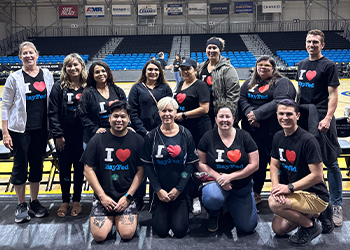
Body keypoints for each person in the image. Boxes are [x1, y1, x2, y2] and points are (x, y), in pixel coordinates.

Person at [268, 99, 333, 247]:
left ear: (297, 116)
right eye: (281, 113)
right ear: (276, 115)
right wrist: (276, 187)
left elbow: (317, 175)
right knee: (278, 229)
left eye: (289, 114)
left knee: (273, 203)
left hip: (315, 195)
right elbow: (274, 164)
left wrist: (288, 188)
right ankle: (317, 215)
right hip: (296, 193)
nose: (285, 117)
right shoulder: (278, 136)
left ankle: (310, 226)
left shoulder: (308, 140)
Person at [1, 41, 54, 223]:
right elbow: (5, 106)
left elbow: (51, 102)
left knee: (37, 165)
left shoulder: (47, 75)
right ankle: (21, 204)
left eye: (31, 52)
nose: (29, 56)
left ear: (37, 55)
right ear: (20, 57)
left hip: (41, 129)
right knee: (20, 166)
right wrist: (5, 132)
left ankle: (34, 201)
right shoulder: (13, 78)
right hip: (20, 130)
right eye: (25, 53)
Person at [296, 29, 342, 226]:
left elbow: (333, 95)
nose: (311, 45)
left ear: (322, 45)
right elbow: (300, 91)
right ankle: (312, 202)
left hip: (322, 115)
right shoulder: (302, 64)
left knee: (330, 161)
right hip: (304, 115)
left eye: (315, 42)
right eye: (309, 41)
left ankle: (337, 204)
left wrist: (328, 118)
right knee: (308, 160)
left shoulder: (329, 65)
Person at [81, 101, 145, 242]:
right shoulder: (97, 139)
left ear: (129, 119)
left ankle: (119, 221)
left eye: (123, 116)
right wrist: (102, 196)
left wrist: (128, 196)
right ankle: (112, 222)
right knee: (99, 236)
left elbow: (141, 171)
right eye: (115, 116)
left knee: (127, 234)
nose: (119, 120)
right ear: (109, 118)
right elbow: (87, 170)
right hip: (103, 195)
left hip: (126, 196)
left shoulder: (138, 140)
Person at [239, 55, 296, 204]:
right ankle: (256, 192)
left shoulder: (281, 82)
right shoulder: (249, 82)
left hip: (273, 132)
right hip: (252, 130)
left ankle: (284, 192)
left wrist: (258, 115)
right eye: (260, 64)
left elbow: (280, 100)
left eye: (267, 65)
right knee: (257, 163)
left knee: (278, 163)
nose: (263, 67)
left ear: (273, 68)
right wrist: (250, 114)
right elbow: (242, 98)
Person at [141, 97, 198, 238]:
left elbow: (191, 164)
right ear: (159, 113)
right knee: (161, 231)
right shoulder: (151, 136)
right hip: (160, 191)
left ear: (175, 112)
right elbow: (147, 165)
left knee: (179, 230)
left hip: (180, 190)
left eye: (170, 110)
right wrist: (158, 190)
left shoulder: (186, 134)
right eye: (163, 111)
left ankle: (182, 208)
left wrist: (178, 189)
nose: (167, 114)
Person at [197, 104, 259, 233]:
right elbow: (200, 163)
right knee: (213, 197)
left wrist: (229, 177)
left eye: (227, 117)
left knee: (248, 228)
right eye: (221, 116)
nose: (224, 120)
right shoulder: (208, 137)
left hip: (242, 187)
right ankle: (214, 213)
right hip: (216, 183)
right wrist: (219, 177)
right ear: (215, 119)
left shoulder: (244, 136)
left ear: (233, 119)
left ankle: (230, 206)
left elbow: (255, 164)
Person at [128, 60, 172, 208]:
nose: (153, 72)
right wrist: (144, 131)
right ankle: (139, 197)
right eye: (150, 69)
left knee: (159, 166)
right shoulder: (137, 88)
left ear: (160, 72)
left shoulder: (165, 88)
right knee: (141, 166)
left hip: (161, 134)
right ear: (145, 72)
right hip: (141, 135)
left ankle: (156, 195)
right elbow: (132, 113)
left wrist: (159, 131)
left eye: (156, 70)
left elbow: (169, 110)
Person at [48, 53, 87, 217]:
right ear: (65, 68)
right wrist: (58, 134)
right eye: (69, 66)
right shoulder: (59, 87)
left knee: (79, 169)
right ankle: (65, 200)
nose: (73, 68)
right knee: (64, 169)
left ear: (82, 66)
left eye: (75, 65)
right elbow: (53, 112)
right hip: (63, 137)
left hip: (82, 137)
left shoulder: (88, 86)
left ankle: (77, 200)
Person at [174, 57, 211, 215]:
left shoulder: (200, 85)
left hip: (199, 130)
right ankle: (191, 195)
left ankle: (203, 197)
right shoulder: (181, 84)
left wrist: (184, 115)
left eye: (188, 68)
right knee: (187, 164)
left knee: (199, 164)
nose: (184, 71)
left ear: (196, 70)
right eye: (182, 68)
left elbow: (204, 109)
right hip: (185, 130)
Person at [79, 61, 126, 144]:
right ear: (92, 75)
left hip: (116, 134)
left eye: (103, 71)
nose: (101, 74)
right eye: (97, 72)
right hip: (95, 136)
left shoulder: (117, 90)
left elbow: (126, 110)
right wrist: (95, 129)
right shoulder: (87, 93)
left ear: (108, 73)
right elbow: (83, 115)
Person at [197, 37, 240, 126]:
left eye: (214, 48)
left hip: (219, 113)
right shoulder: (201, 67)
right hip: (204, 112)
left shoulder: (228, 69)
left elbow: (233, 95)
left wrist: (225, 116)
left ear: (220, 50)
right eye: (209, 48)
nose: (211, 50)